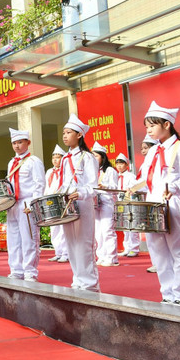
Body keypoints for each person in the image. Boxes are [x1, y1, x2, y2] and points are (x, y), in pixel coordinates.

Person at [132, 101, 180, 306]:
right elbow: (146, 178)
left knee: (179, 251)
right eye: (147, 127)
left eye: (152, 125)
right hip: (153, 205)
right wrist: (133, 188)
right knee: (158, 251)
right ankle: (168, 292)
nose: (149, 130)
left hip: (174, 203)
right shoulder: (153, 152)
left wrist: (175, 187)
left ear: (167, 124)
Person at [60, 114, 100, 292]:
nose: (65, 136)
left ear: (79, 135)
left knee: (84, 243)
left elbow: (94, 186)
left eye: (69, 132)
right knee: (71, 243)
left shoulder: (87, 157)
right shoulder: (63, 159)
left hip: (82, 204)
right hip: (67, 205)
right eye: (64, 133)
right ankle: (78, 279)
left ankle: (89, 284)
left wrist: (81, 193)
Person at [5, 129, 45, 281]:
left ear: (28, 143)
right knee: (13, 239)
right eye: (14, 143)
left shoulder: (34, 161)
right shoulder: (11, 162)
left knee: (29, 238)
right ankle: (16, 270)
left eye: (20, 142)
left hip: (27, 202)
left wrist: (34, 204)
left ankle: (30, 271)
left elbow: (39, 184)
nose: (17, 146)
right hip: (13, 204)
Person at [93, 142, 119, 267]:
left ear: (103, 157)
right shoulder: (93, 171)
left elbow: (115, 187)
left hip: (107, 201)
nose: (94, 159)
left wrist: (104, 186)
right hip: (96, 202)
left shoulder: (109, 170)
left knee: (107, 229)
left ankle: (112, 257)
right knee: (98, 231)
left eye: (96, 156)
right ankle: (101, 255)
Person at [45, 145, 69, 263]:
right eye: (53, 157)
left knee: (63, 228)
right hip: (50, 201)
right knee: (54, 228)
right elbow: (46, 186)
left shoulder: (66, 171)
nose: (55, 160)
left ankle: (66, 252)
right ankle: (58, 252)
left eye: (58, 157)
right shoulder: (49, 172)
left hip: (61, 200)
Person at [139, 136, 159, 273]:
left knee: (159, 233)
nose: (143, 151)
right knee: (151, 234)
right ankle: (156, 261)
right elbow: (143, 182)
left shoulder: (159, 160)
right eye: (142, 148)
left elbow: (148, 182)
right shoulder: (144, 164)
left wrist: (135, 187)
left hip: (160, 199)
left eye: (146, 148)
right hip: (149, 199)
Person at [115, 153, 139, 257]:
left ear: (126, 165)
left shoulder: (131, 176)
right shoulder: (116, 176)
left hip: (129, 202)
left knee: (132, 225)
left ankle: (134, 248)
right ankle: (127, 248)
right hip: (120, 203)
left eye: (121, 164)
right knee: (124, 225)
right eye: (117, 164)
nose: (119, 166)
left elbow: (134, 188)